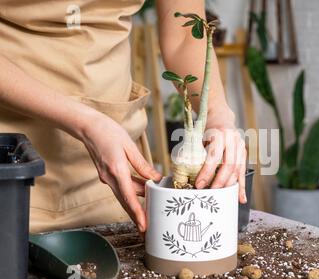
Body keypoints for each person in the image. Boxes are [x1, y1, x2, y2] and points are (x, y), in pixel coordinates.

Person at [0, 0, 247, 233]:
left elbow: (183, 36)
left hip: (116, 175)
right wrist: (87, 123)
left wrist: (218, 113)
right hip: (10, 169)